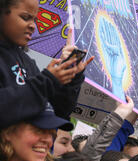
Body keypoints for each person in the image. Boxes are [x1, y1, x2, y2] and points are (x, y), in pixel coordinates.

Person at [0, 1, 92, 129]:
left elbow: (56, 115)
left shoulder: (26, 61)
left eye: (35, 19)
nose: (33, 26)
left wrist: (70, 76)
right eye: (25, 17)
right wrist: (47, 81)